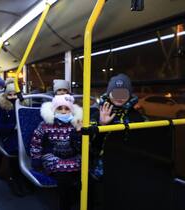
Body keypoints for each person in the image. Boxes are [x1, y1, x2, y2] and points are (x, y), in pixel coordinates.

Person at [89, 73, 146, 210]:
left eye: (123, 92)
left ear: (129, 94)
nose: (120, 97)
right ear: (109, 94)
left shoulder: (137, 116)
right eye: (116, 93)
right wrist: (101, 126)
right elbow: (88, 144)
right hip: (100, 164)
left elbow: (142, 142)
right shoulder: (96, 115)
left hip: (127, 163)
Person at [30, 94, 83, 210]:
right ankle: (64, 205)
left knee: (84, 177)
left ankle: (77, 199)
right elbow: (36, 142)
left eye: (67, 108)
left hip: (73, 156)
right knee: (64, 177)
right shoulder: (45, 125)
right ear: (54, 110)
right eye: (60, 108)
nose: (63, 111)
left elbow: (82, 146)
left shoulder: (77, 124)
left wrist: (79, 133)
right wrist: (36, 159)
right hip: (53, 156)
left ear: (72, 110)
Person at [0, 79, 26, 196]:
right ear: (6, 95)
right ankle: (15, 179)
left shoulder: (23, 106)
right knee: (17, 151)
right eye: (9, 94)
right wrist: (13, 126)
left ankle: (24, 177)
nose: (12, 97)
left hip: (22, 136)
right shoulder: (3, 108)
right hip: (10, 136)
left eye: (15, 94)